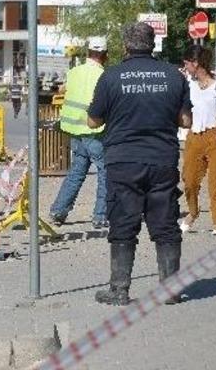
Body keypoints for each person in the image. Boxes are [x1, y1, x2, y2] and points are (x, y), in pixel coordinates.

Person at [87, 22, 192, 306]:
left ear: (125, 46)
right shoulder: (174, 76)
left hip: (123, 161)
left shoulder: (111, 77)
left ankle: (119, 290)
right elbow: (185, 121)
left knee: (123, 222)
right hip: (162, 160)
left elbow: (93, 121)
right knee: (166, 224)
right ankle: (170, 290)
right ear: (153, 44)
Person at [49, 37, 110, 229]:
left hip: (74, 131)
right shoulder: (103, 76)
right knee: (105, 172)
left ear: (88, 53)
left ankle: (58, 211)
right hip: (94, 132)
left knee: (77, 171)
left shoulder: (74, 72)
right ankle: (100, 216)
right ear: (105, 55)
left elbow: (63, 90)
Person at [179, 44, 216, 236]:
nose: (185, 66)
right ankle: (193, 212)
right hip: (194, 136)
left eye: (187, 63)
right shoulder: (187, 81)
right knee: (189, 180)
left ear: (196, 63)